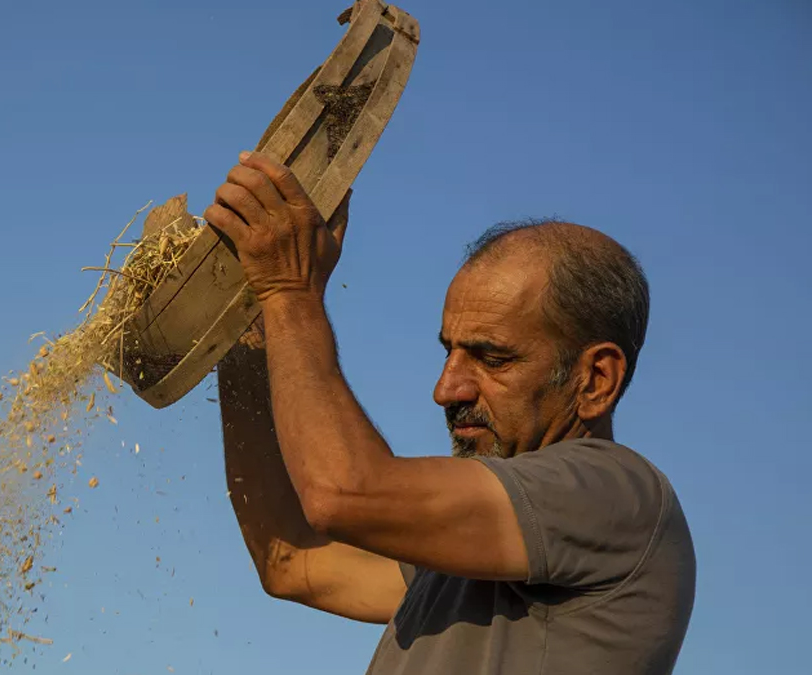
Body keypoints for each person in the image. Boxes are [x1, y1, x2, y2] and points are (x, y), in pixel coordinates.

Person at [204, 151, 696, 675]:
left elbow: (340, 496)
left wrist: (288, 292)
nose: (446, 389)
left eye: (492, 358)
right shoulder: (480, 554)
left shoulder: (616, 494)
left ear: (596, 379)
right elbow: (295, 561)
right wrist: (248, 332)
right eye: (450, 352)